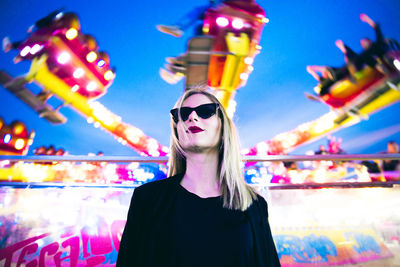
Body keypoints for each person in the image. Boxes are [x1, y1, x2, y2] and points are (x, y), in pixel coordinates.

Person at [117, 88, 280, 267]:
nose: (192, 117)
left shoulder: (253, 204)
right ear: (176, 129)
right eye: (183, 113)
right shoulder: (147, 199)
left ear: (222, 126)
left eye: (205, 111)